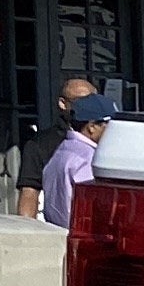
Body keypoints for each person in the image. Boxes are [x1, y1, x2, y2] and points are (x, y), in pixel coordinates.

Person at [39, 91, 112, 229]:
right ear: (92, 126)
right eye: (109, 124)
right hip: (79, 237)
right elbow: (92, 209)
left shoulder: (61, 151)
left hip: (55, 234)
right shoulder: (88, 158)